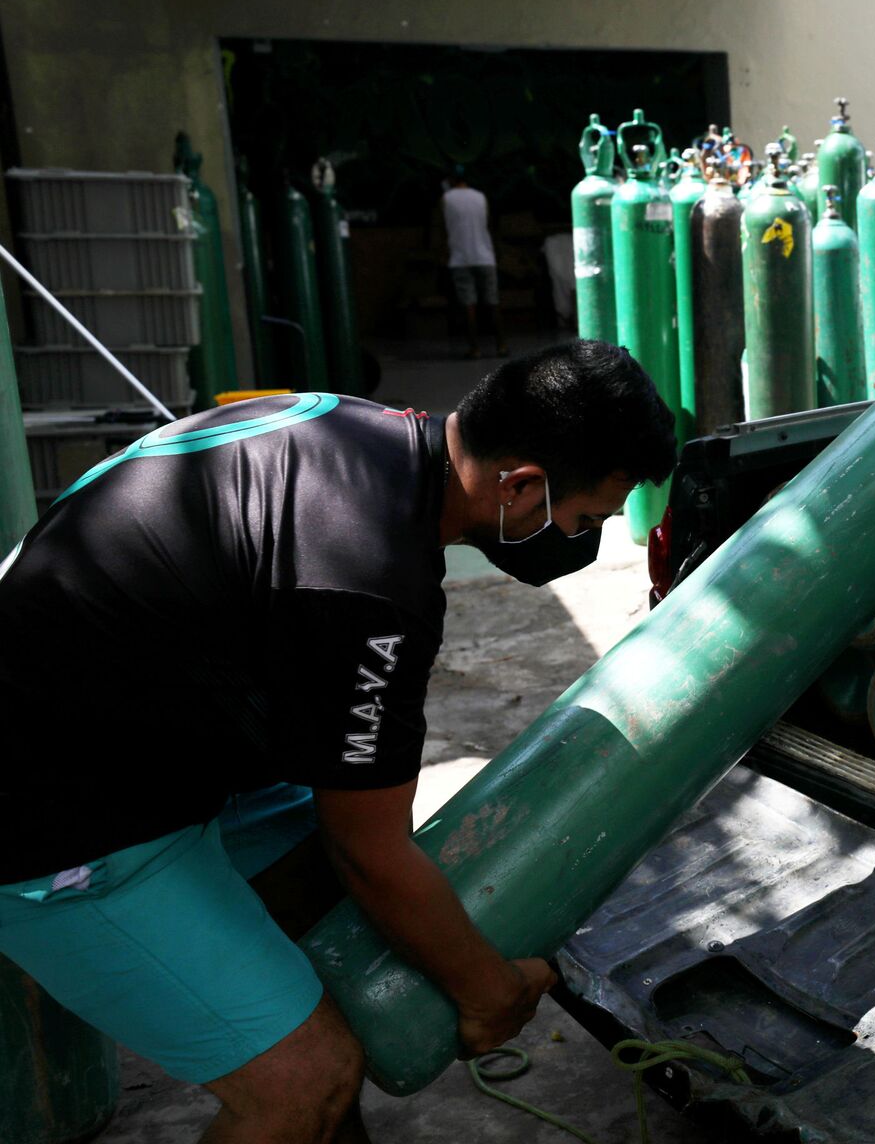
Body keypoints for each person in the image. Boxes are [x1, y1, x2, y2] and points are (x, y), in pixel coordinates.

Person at [0, 341, 676, 1143]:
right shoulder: (371, 583)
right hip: (55, 806)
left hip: (133, 717)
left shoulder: (362, 431)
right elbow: (372, 854)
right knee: (304, 1082)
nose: (582, 538)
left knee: (342, 925)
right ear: (522, 484)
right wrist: (488, 991)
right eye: (583, 518)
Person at [439, 165, 506, 360]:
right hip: (485, 256)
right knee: (493, 303)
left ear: (451, 180)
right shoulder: (480, 197)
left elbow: (442, 228)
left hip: (460, 258)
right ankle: (501, 345)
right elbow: (488, 224)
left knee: (469, 306)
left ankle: (475, 348)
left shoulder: (446, 199)